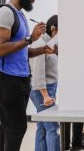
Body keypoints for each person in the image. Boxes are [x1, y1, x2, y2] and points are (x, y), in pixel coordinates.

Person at [0, 0, 55, 151]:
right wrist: (30, 38)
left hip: (20, 78)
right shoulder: (6, 13)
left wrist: (42, 49)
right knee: (17, 127)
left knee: (7, 126)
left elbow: (21, 52)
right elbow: (0, 48)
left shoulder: (19, 15)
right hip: (6, 78)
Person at [64, 0, 84, 151]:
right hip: (69, 72)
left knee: (82, 110)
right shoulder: (66, 18)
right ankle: (69, 145)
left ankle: (78, 143)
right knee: (68, 112)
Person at [30, 15, 60, 151]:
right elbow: (38, 74)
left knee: (42, 126)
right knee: (52, 127)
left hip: (49, 88)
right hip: (42, 90)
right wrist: (46, 96)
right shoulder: (40, 45)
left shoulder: (51, 44)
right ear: (53, 29)